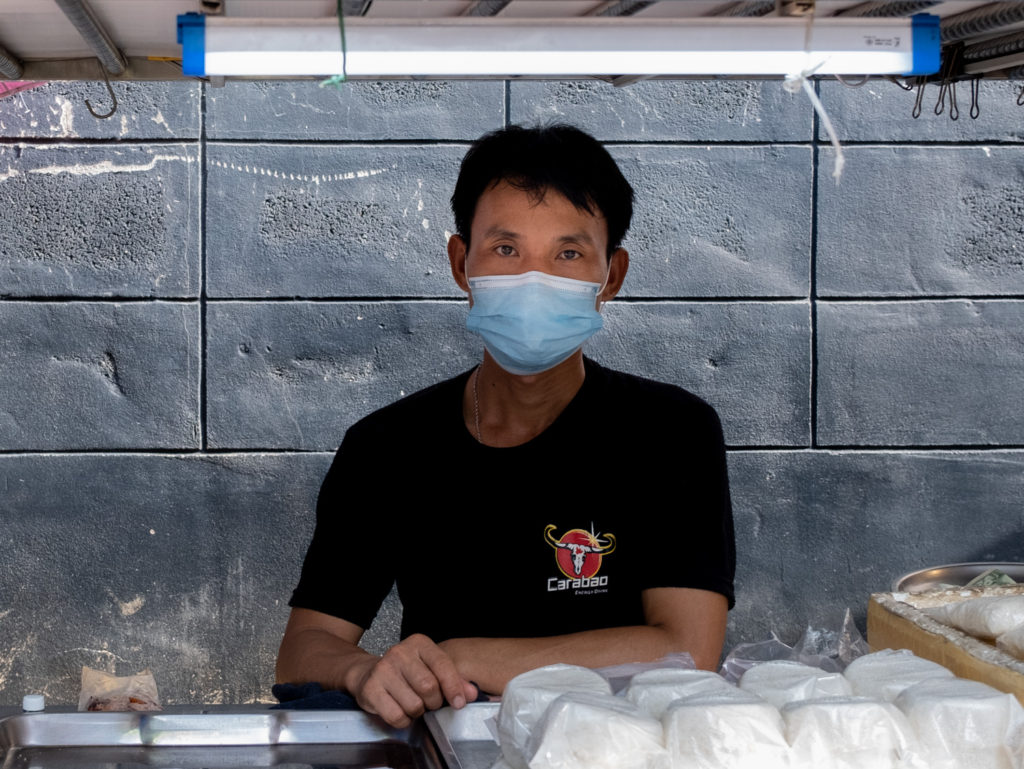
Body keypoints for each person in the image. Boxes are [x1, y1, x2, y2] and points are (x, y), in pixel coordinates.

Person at [276, 124, 735, 728]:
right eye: (506, 249)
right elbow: (303, 652)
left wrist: (464, 656)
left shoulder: (671, 431)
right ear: (461, 264)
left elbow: (686, 650)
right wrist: (363, 672)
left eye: (568, 254)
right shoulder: (387, 447)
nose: (533, 278)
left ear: (611, 277)